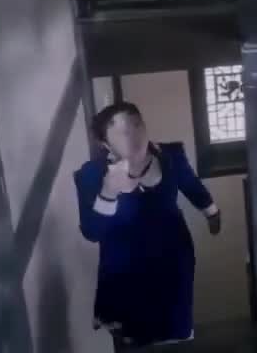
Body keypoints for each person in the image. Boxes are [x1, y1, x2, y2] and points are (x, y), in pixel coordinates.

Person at [73, 101, 222, 346]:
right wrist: (108, 192)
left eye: (137, 124)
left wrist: (212, 213)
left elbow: (192, 185)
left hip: (173, 259)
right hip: (125, 270)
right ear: (105, 144)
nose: (134, 135)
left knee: (174, 335)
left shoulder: (170, 156)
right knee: (135, 338)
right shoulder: (92, 174)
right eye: (123, 131)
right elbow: (92, 232)